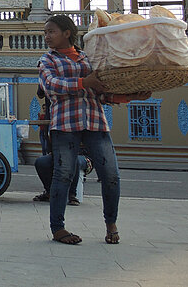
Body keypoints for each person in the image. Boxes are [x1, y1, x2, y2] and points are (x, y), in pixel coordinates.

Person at [39, 14, 150, 245]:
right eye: (46, 33)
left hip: (95, 122)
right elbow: (50, 86)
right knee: (63, 175)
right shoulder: (47, 60)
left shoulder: (89, 59)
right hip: (65, 124)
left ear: (67, 33)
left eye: (51, 31)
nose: (47, 36)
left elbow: (102, 93)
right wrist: (83, 83)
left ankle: (111, 223)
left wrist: (131, 96)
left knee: (111, 175)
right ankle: (58, 228)